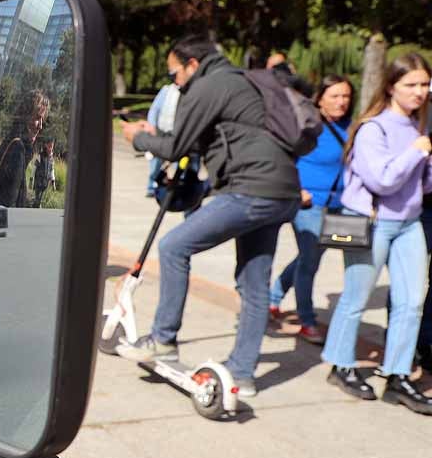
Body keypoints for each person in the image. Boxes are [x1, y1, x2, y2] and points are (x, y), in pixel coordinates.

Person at [116, 35, 302, 397]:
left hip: (249, 189)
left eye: (174, 74)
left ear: (192, 65)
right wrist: (159, 135)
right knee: (254, 284)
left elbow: (175, 147)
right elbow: (213, 137)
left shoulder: (210, 84)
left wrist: (138, 138)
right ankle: (243, 374)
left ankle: (164, 339)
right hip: (283, 191)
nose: (174, 83)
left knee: (173, 247)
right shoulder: (239, 80)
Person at [322, 54, 432, 412]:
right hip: (373, 223)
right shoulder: (374, 128)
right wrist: (417, 154)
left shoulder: (419, 128)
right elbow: (383, 180)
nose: (420, 92)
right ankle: (341, 365)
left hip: (409, 221)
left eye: (425, 85)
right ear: (391, 87)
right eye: (411, 85)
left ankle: (398, 375)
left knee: (411, 303)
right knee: (356, 296)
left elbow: (422, 184)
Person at [268, 75, 354, 344]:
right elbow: (282, 157)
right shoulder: (306, 124)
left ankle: (273, 297)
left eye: (346, 96)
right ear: (319, 99)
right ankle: (307, 320)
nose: (341, 102)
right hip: (308, 204)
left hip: (340, 205)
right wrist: (297, 189)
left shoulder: (351, 127)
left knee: (311, 256)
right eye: (334, 96)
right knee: (310, 261)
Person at [144, 62, 181, 196]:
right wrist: (152, 125)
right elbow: (154, 109)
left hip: (177, 134)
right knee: (156, 161)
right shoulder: (167, 90)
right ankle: (151, 186)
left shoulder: (188, 93)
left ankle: (177, 187)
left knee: (178, 162)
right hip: (161, 132)